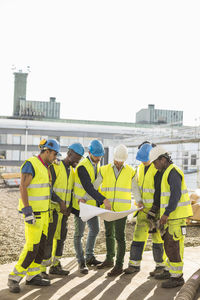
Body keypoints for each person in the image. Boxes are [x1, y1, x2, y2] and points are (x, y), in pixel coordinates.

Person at [8, 139, 61, 293]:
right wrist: (27, 211)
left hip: (44, 214)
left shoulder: (46, 167)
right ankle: (14, 277)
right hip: (34, 214)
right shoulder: (31, 163)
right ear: (46, 151)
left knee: (41, 247)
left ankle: (33, 275)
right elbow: (22, 186)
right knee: (32, 247)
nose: (55, 157)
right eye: (54, 153)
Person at [90, 144, 142, 276]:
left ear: (124, 159)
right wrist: (85, 198)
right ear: (113, 158)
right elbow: (94, 186)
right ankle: (109, 260)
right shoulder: (104, 169)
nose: (118, 162)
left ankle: (119, 265)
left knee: (120, 237)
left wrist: (139, 200)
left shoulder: (131, 171)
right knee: (108, 234)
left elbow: (135, 188)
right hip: (108, 209)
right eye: (117, 160)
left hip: (121, 211)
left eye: (121, 160)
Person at [149, 145, 193, 288]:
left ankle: (177, 277)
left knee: (172, 245)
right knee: (169, 245)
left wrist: (167, 213)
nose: (155, 166)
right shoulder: (167, 171)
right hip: (172, 217)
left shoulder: (173, 172)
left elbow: (175, 195)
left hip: (175, 217)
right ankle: (170, 270)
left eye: (155, 162)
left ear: (163, 159)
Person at [41, 143, 85, 279]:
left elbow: (71, 192)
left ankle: (55, 265)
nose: (77, 161)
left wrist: (70, 207)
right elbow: (49, 188)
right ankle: (42, 269)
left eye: (79, 159)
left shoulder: (73, 172)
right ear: (69, 154)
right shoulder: (55, 166)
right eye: (76, 158)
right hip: (53, 210)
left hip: (64, 212)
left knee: (61, 238)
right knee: (49, 238)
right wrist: (60, 202)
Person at [124, 142, 166, 276]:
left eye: (145, 160)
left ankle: (161, 266)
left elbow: (160, 191)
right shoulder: (140, 168)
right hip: (143, 210)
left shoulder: (158, 169)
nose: (143, 162)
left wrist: (155, 208)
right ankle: (134, 264)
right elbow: (136, 186)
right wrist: (139, 201)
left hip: (156, 210)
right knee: (138, 236)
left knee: (157, 238)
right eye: (141, 160)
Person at [72, 139, 111, 274]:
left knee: (95, 230)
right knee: (79, 234)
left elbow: (96, 185)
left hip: (92, 205)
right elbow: (88, 187)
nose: (99, 158)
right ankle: (81, 262)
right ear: (90, 153)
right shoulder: (83, 166)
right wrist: (103, 199)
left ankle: (89, 257)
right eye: (96, 156)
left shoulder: (97, 164)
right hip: (81, 206)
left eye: (100, 156)